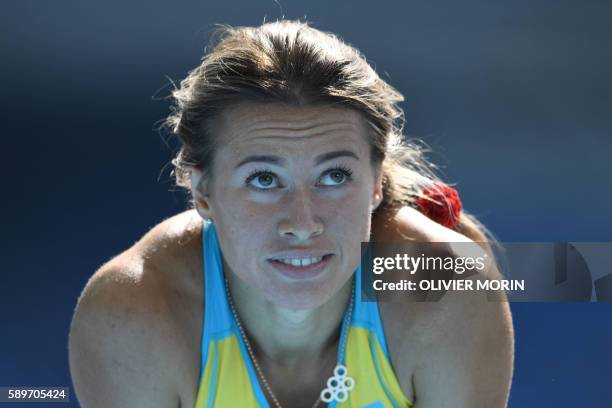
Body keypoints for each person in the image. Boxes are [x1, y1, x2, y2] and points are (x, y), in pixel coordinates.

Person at [69, 20, 513, 407]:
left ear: (376, 183)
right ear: (203, 192)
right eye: (264, 179)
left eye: (334, 176)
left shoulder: (449, 287)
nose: (303, 224)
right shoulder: (131, 315)